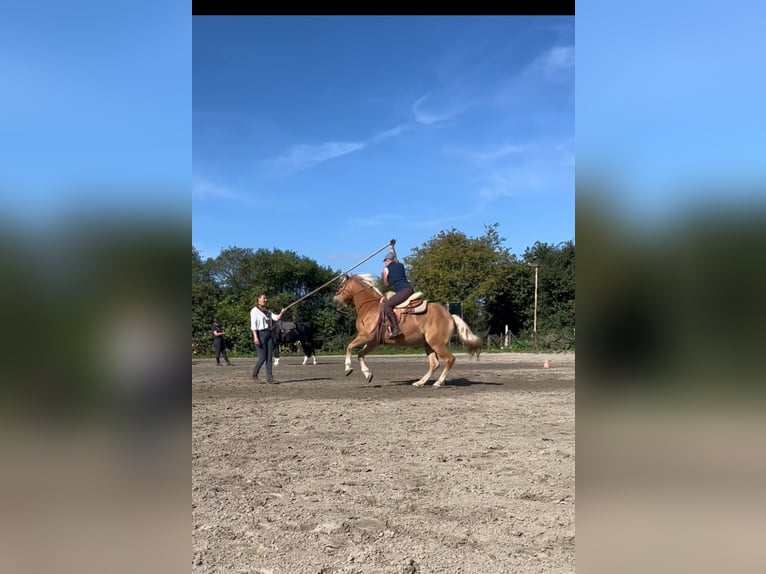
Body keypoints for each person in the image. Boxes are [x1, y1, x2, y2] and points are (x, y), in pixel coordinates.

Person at [250, 294, 286, 383]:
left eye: (266, 298)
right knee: (262, 357)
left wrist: (282, 312)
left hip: (269, 333)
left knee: (269, 357)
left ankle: (270, 378)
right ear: (258, 299)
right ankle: (255, 375)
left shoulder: (267, 311)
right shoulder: (254, 311)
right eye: (264, 298)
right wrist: (255, 337)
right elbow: (253, 325)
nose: (265, 300)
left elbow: (277, 318)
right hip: (260, 334)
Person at [380, 250, 414, 337]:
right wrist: (392, 247)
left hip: (403, 291)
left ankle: (396, 329)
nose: (385, 263)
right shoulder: (400, 265)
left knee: (387, 305)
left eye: (385, 261)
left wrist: (384, 275)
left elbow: (386, 284)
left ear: (387, 260)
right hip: (408, 289)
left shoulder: (386, 269)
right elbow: (395, 257)